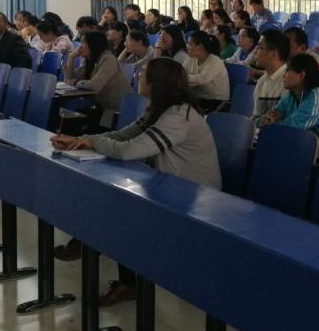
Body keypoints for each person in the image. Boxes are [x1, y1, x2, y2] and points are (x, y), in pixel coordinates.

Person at [50, 58, 221, 301]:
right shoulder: (160, 110)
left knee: (125, 208)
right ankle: (89, 242)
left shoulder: (178, 117)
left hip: (195, 195)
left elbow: (129, 150)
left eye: (144, 75)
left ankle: (127, 280)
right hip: (170, 184)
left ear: (156, 83)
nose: (139, 77)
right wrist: (82, 140)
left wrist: (92, 142)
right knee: (111, 196)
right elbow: (123, 136)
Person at [261, 53, 319, 139]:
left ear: (301, 75)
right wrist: (269, 118)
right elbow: (277, 113)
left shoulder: (318, 98)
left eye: (287, 71)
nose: (283, 75)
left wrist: (270, 125)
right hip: (300, 141)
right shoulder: (291, 95)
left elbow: (291, 127)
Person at [62, 31, 131, 130]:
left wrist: (76, 82)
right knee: (68, 119)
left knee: (79, 125)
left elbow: (95, 85)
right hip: (100, 107)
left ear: (94, 44)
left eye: (84, 43)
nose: (80, 47)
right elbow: (69, 79)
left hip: (116, 110)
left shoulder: (108, 59)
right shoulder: (90, 60)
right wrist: (71, 57)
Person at [182, 32, 230, 113]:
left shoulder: (215, 61)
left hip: (216, 101)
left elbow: (202, 79)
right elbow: (181, 71)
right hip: (200, 99)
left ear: (200, 46)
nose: (186, 46)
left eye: (189, 43)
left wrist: (179, 78)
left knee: (188, 112)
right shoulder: (191, 59)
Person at [252, 30, 289, 123]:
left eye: (260, 47)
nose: (255, 51)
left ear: (273, 54)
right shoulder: (261, 82)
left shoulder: (289, 80)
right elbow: (257, 116)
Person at [283, 26, 319, 90]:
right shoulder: (286, 59)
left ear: (302, 48)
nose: (283, 49)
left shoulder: (315, 62)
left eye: (288, 46)